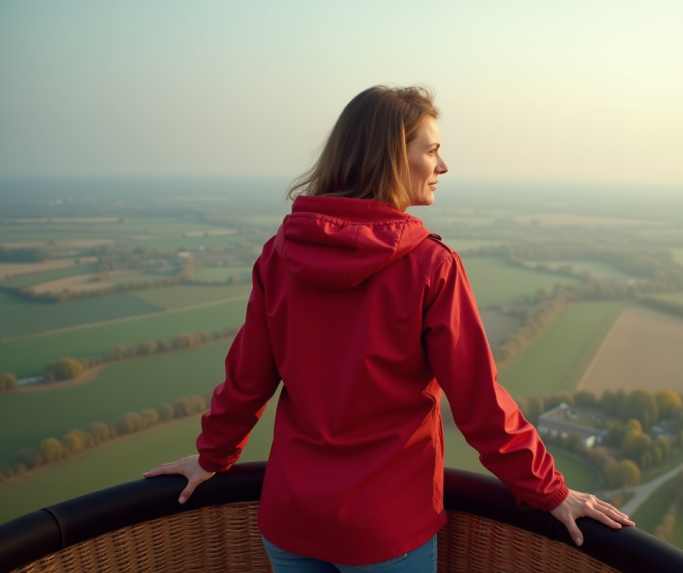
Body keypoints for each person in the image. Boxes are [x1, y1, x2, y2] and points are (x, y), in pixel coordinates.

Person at [144, 85, 634, 573]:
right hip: (386, 531)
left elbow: (246, 381)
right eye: (432, 150)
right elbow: (480, 403)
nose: (443, 166)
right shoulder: (431, 266)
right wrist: (550, 491)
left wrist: (211, 456)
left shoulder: (279, 255)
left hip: (291, 520)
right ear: (393, 158)